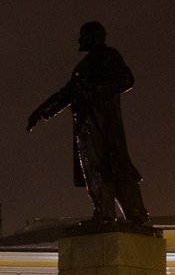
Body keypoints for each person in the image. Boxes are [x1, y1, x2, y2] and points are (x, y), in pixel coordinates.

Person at [27, 21, 149, 225]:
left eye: (83, 35)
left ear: (94, 36)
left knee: (115, 167)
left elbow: (126, 79)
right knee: (96, 169)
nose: (79, 40)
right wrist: (40, 112)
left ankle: (132, 214)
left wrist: (96, 90)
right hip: (86, 126)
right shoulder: (82, 67)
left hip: (103, 123)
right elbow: (65, 94)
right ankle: (105, 212)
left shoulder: (109, 56)